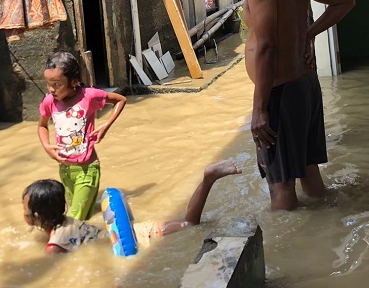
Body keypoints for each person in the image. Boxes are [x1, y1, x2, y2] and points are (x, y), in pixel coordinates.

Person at [239, 0, 356, 211]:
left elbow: (267, 47)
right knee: (307, 169)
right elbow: (345, 0)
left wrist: (259, 109)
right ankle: (324, 228)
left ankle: (289, 240)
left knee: (280, 185)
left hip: (281, 92)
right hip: (305, 85)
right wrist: (308, 33)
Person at [22, 159, 243, 255]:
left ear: (37, 215)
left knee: (191, 224)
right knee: (188, 224)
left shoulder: (54, 246)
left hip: (135, 241)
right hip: (132, 230)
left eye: (25, 209)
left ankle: (208, 178)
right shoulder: (68, 219)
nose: (23, 213)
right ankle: (208, 179)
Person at [38, 52, 127, 221]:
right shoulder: (49, 101)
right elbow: (42, 125)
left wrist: (106, 125)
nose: (51, 89)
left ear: (74, 82)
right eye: (48, 84)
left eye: (56, 84)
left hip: (87, 169)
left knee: (74, 219)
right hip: (65, 170)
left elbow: (120, 100)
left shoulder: (89, 96)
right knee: (81, 216)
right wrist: (46, 146)